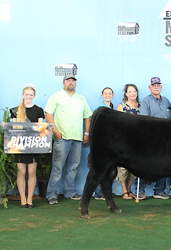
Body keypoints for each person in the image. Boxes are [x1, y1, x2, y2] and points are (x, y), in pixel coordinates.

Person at [45, 74, 92, 205]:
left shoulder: (81, 99)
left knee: (73, 167)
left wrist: (86, 133)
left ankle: (70, 192)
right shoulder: (56, 96)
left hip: (77, 138)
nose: (70, 83)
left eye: (73, 81)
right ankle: (52, 195)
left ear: (75, 84)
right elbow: (48, 114)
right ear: (63, 83)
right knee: (58, 167)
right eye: (68, 80)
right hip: (62, 137)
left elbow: (87, 117)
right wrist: (55, 131)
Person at [134, 77, 171, 200]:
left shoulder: (166, 101)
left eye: (158, 85)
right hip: (151, 138)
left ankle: (159, 191)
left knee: (165, 164)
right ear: (150, 87)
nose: (156, 87)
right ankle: (140, 191)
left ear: (161, 87)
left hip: (165, 139)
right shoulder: (146, 101)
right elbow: (144, 121)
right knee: (146, 164)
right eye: (154, 85)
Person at [9, 83, 45, 208]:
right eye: (26, 94)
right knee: (21, 171)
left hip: (34, 145)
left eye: (31, 95)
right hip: (20, 145)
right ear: (23, 95)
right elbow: (13, 128)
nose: (28, 97)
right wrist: (6, 126)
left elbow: (40, 128)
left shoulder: (39, 110)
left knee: (31, 171)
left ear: (34, 96)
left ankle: (30, 200)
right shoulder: (16, 110)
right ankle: (22, 200)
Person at [116, 84, 140, 200]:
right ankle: (124, 190)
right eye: (130, 91)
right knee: (122, 167)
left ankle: (129, 189)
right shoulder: (121, 107)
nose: (132, 93)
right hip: (124, 140)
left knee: (134, 165)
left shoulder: (141, 106)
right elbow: (117, 125)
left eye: (134, 91)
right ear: (126, 94)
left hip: (137, 140)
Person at [94, 87, 115, 200]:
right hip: (102, 142)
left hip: (109, 142)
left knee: (107, 169)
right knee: (100, 167)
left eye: (110, 93)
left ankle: (104, 192)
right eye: (106, 93)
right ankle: (98, 192)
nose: (108, 95)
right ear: (102, 95)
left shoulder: (111, 108)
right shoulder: (100, 109)